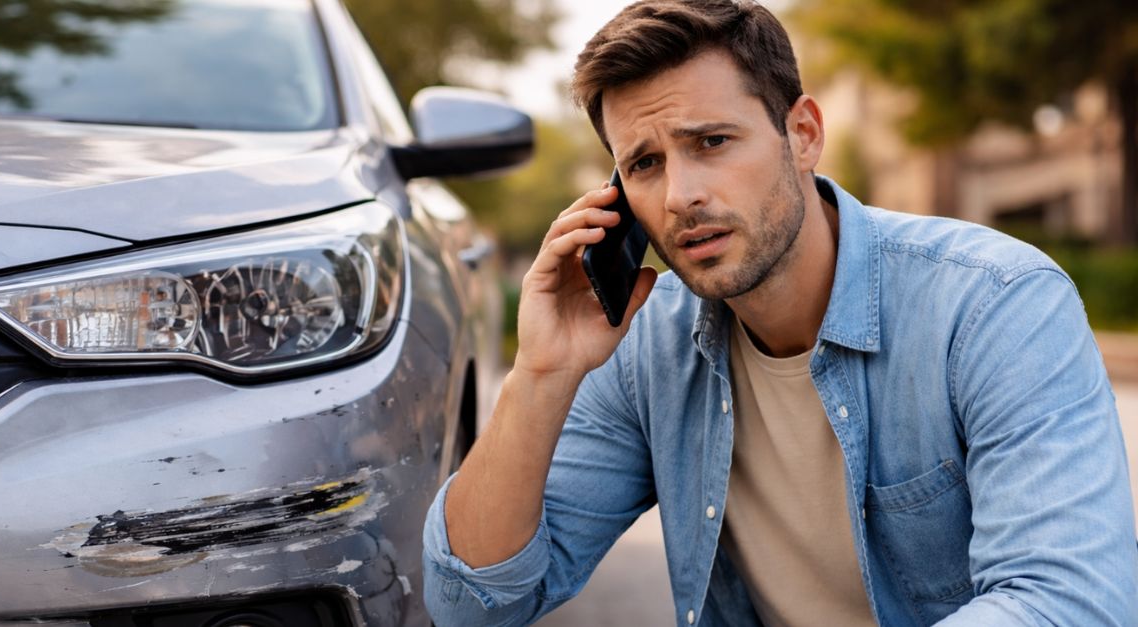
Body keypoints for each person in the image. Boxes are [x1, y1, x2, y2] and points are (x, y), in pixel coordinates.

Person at [421, 1, 1138, 625]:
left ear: (802, 134)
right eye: (644, 164)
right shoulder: (647, 348)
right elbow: (471, 603)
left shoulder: (993, 304)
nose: (680, 195)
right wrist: (541, 372)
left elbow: (1069, 599)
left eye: (712, 142)